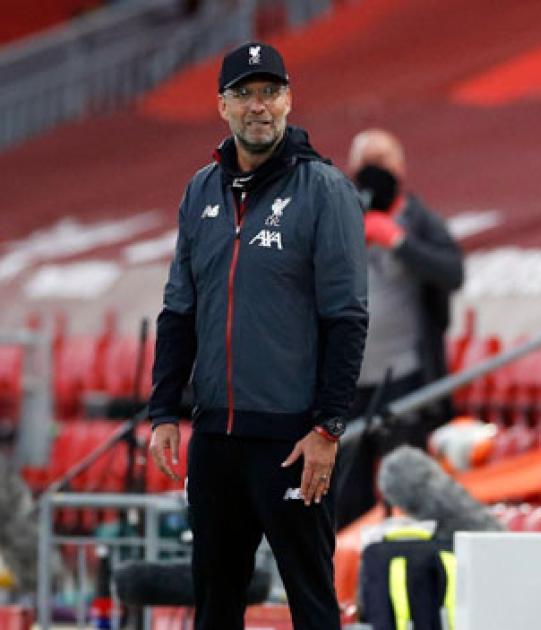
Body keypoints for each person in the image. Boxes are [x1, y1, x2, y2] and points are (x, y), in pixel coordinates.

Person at [146, 42, 368, 630]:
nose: (258, 106)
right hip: (215, 437)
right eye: (244, 94)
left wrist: (328, 427)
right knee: (215, 604)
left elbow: (347, 317)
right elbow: (179, 309)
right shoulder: (200, 191)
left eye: (270, 92)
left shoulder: (326, 191)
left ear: (289, 99)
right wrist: (164, 410)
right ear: (223, 106)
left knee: (311, 603)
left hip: (291, 440)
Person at [334, 128, 465, 528]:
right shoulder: (336, 220)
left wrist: (398, 242)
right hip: (346, 382)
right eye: (366, 162)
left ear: (400, 167)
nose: (374, 171)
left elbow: (452, 272)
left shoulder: (421, 222)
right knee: (345, 494)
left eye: (383, 161)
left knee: (406, 489)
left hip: (405, 377)